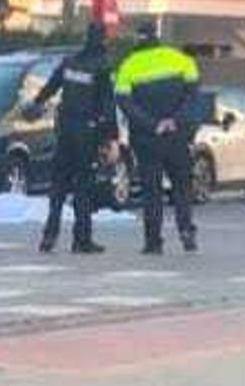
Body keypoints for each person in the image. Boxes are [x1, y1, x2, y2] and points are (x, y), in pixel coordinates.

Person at [25, 23, 117, 255]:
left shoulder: (70, 62)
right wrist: (111, 138)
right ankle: (82, 239)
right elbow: (108, 105)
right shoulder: (102, 66)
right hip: (87, 132)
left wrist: (36, 103)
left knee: (59, 185)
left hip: (65, 129)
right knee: (83, 186)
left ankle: (49, 235)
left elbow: (51, 87)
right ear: (104, 40)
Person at [115, 23, 206, 254]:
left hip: (147, 139)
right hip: (177, 136)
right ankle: (186, 230)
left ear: (138, 40)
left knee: (152, 191)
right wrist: (176, 119)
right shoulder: (180, 59)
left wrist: (152, 124)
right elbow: (194, 95)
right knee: (182, 186)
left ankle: (153, 241)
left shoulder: (128, 66)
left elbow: (125, 103)